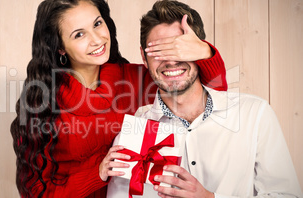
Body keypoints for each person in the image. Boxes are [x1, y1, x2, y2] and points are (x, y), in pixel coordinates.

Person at [10, 0, 227, 197]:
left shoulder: (137, 79)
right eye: (79, 34)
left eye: (97, 24)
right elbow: (35, 192)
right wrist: (97, 173)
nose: (97, 39)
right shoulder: (41, 103)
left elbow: (210, 99)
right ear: (59, 47)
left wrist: (204, 51)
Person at [106, 0, 302, 197]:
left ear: (200, 50)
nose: (171, 60)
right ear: (143, 56)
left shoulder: (254, 114)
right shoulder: (131, 136)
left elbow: (286, 195)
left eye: (179, 48)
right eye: (157, 51)